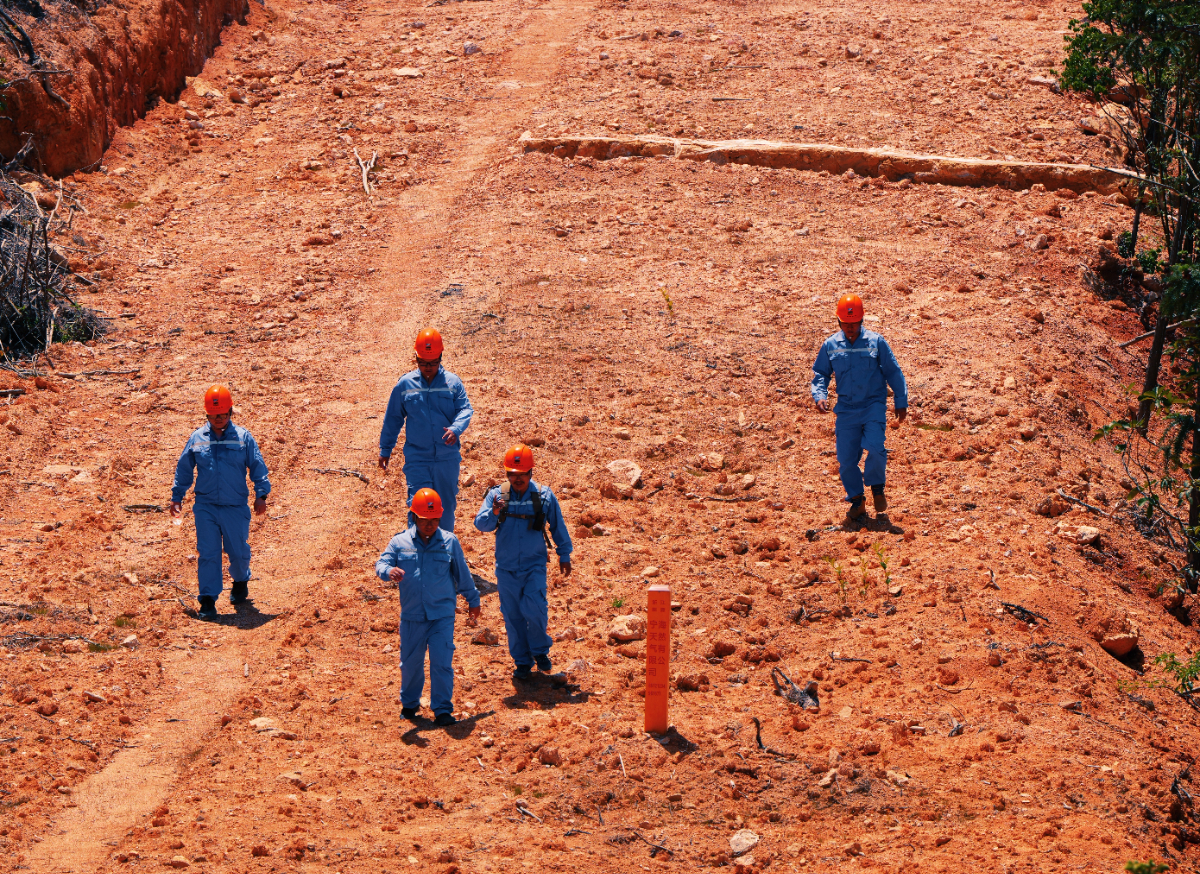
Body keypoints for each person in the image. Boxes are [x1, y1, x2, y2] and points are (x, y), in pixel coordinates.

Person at [376, 488, 481, 726]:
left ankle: (442, 710)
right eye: (424, 519)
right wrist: (388, 571)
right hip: (412, 615)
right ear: (414, 516)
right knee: (410, 664)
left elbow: (463, 575)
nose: (430, 525)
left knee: (441, 663)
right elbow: (381, 563)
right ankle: (410, 705)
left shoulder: (449, 542)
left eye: (434, 519)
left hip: (441, 615)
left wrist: (473, 600)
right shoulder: (400, 542)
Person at [170, 384, 271, 621]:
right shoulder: (197, 438)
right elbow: (184, 469)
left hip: (235, 506)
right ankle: (207, 600)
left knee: (238, 551)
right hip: (206, 506)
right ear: (207, 414)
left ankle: (240, 580)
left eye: (223, 414)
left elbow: (257, 466)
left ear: (230, 412)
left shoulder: (243, 438)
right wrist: (177, 496)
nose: (219, 419)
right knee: (208, 552)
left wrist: (261, 495)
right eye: (214, 415)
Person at [473, 444, 572, 681]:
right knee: (513, 616)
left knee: (535, 608)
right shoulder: (496, 495)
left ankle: (540, 651)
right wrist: (494, 512)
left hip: (534, 566)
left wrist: (564, 554)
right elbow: (481, 525)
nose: (517, 479)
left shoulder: (544, 496)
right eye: (512, 474)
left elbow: (558, 526)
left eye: (522, 474)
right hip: (506, 569)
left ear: (531, 472)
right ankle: (522, 662)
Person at [811, 294, 908, 521]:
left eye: (854, 323)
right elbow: (821, 374)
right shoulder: (830, 345)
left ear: (862, 320)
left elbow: (893, 371)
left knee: (875, 446)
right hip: (846, 409)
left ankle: (877, 487)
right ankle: (857, 501)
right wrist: (820, 395)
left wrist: (901, 400)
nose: (850, 327)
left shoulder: (876, 342)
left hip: (873, 405)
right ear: (838, 321)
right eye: (846, 323)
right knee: (846, 460)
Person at [379, 328, 474, 532]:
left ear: (441, 357)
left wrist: (456, 429)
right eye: (423, 362)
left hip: (447, 459)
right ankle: (417, 551)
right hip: (418, 459)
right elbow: (393, 418)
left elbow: (465, 409)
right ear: (416, 358)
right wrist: (385, 449)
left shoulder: (453, 383)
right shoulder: (405, 385)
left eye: (433, 362)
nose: (427, 367)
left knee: (445, 508)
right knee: (419, 507)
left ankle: (443, 548)